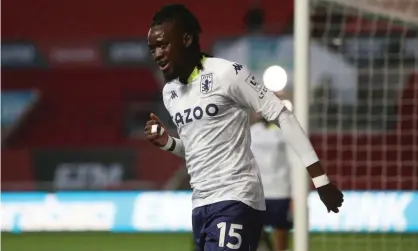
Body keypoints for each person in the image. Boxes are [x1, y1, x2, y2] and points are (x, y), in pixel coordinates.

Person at [144, 4, 344, 251]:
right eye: (153, 48)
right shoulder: (170, 93)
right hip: (201, 205)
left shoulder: (228, 73)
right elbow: (198, 151)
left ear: (186, 39)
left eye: (163, 45)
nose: (157, 54)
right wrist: (168, 142)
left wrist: (321, 180)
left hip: (236, 199)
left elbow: (284, 117)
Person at [250, 109, 292, 251]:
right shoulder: (251, 132)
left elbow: (293, 162)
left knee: (280, 231)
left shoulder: (285, 132)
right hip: (257, 191)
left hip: (280, 190)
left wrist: (295, 194)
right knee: (255, 233)